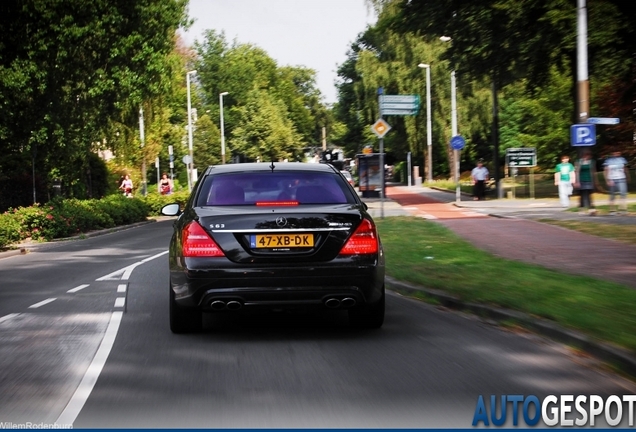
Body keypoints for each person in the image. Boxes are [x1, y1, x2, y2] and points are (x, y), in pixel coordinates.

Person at [603, 150, 630, 214]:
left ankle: (623, 209)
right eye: (615, 152)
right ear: (612, 153)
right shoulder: (608, 161)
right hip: (612, 179)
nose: (616, 154)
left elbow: (625, 169)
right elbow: (606, 171)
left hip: (621, 178)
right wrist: (607, 180)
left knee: (623, 194)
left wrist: (627, 176)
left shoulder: (622, 159)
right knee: (612, 195)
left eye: (618, 152)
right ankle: (612, 210)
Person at [574, 149, 597, 215]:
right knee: (582, 195)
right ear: (583, 155)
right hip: (581, 180)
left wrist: (595, 181)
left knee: (590, 195)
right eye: (586, 155)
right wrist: (577, 181)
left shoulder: (592, 162)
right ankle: (581, 209)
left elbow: (593, 171)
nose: (587, 157)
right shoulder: (578, 161)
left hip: (589, 180)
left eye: (588, 156)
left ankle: (591, 209)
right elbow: (577, 172)